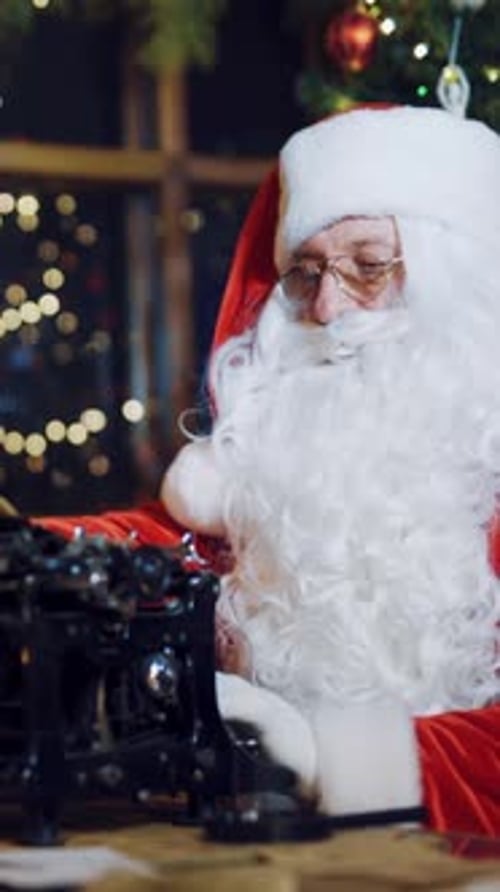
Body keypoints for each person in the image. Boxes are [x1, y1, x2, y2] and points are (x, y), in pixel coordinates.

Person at [39, 105, 500, 837]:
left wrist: (322, 755)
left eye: (369, 267)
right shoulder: (270, 475)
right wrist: (30, 546)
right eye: (307, 272)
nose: (327, 308)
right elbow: (145, 550)